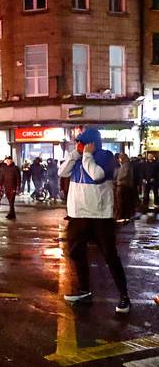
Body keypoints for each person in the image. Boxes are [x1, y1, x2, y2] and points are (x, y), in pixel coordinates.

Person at [58, 129, 130, 313]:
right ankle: (84, 291)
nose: (79, 145)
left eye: (82, 142)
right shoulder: (77, 157)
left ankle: (124, 296)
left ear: (93, 143)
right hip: (78, 216)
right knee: (76, 253)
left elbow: (97, 175)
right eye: (78, 143)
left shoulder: (105, 157)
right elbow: (62, 172)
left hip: (100, 216)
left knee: (110, 256)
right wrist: (76, 154)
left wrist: (87, 156)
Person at [115, 153, 136, 223]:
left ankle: (123, 216)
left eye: (120, 158)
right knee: (124, 202)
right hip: (124, 186)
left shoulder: (126, 165)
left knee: (122, 202)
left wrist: (117, 180)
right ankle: (124, 216)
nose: (119, 160)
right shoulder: (124, 165)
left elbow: (124, 175)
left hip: (123, 186)